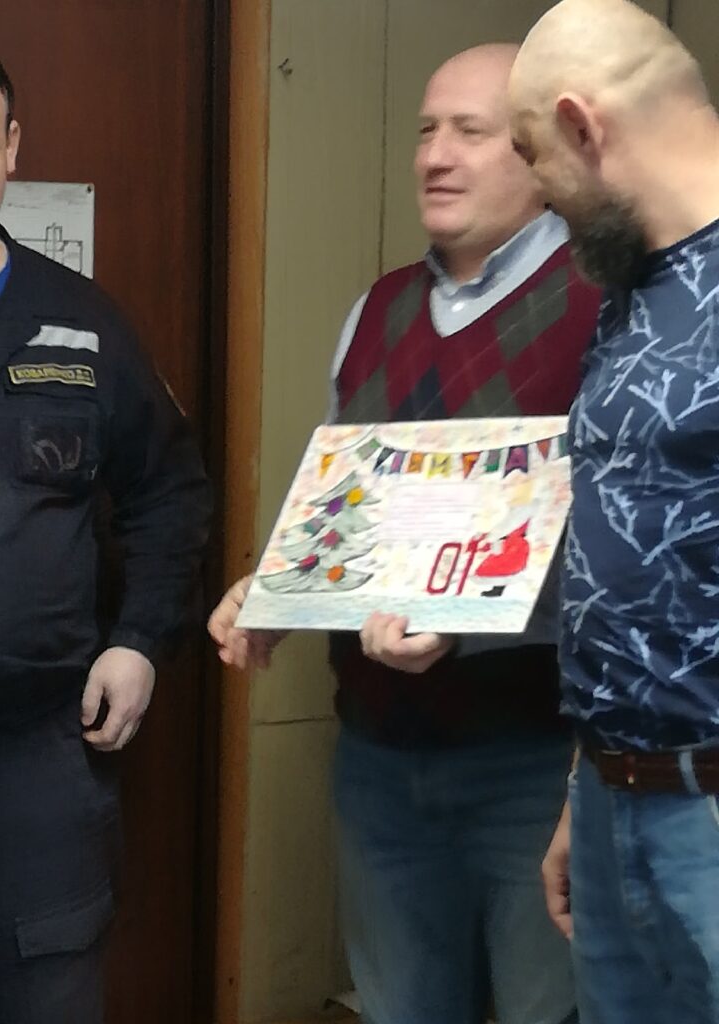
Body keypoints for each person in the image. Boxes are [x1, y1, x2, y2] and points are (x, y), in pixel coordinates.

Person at [210, 44, 599, 1024]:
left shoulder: (609, 305)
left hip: (537, 765)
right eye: (427, 129)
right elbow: (349, 512)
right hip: (379, 759)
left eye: (470, 131)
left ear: (542, 151)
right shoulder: (375, 311)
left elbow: (641, 560)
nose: (434, 154)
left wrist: (468, 625)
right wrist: (278, 592)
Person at [0, 31, 210, 1022]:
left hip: (38, 765)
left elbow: (170, 492)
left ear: (13, 147)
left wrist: (140, 640)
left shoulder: (84, 325)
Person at [508, 2, 719, 1022]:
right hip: (613, 797)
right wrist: (588, 785)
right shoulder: (635, 286)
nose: (538, 196)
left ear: (581, 125)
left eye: (532, 157)